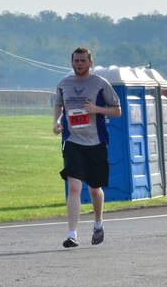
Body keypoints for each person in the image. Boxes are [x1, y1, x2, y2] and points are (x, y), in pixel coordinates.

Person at [51, 47, 122, 248]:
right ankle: (72, 234)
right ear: (71, 62)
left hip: (96, 142)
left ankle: (98, 224)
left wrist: (96, 109)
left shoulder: (100, 84)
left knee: (94, 188)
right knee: (74, 186)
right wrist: (56, 122)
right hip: (72, 141)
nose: (79, 64)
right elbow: (58, 105)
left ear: (90, 63)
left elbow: (117, 111)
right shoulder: (64, 84)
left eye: (83, 61)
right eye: (76, 61)